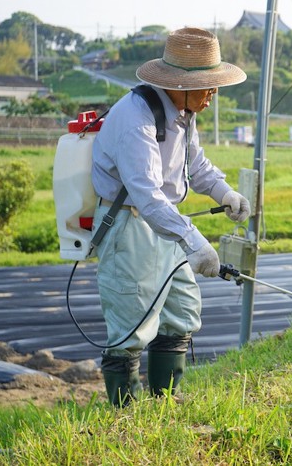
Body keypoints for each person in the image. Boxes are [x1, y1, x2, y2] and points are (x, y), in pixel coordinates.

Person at [91, 27, 250, 406]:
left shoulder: (183, 112)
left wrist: (224, 192)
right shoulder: (135, 117)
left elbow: (195, 163)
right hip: (129, 224)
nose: (212, 96)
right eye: (207, 88)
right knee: (132, 322)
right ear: (180, 82)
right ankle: (125, 419)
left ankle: (165, 404)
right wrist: (195, 242)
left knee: (180, 310)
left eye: (215, 87)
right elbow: (147, 195)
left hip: (166, 222)